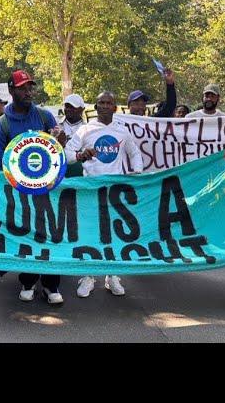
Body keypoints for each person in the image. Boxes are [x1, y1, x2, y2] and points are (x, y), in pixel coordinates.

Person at [0, 70, 67, 305]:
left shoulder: (44, 117)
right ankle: (29, 281)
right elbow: (1, 162)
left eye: (30, 87)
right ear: (11, 91)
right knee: (27, 235)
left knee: (49, 234)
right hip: (19, 191)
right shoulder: (2, 125)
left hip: (47, 188)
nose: (28, 91)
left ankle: (52, 285)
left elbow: (59, 150)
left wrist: (61, 142)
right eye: (22, 88)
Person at [65, 91, 143, 298]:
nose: (105, 106)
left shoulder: (122, 131)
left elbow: (134, 154)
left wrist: (136, 174)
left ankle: (113, 275)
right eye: (101, 103)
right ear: (96, 107)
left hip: (115, 191)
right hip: (90, 189)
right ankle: (88, 276)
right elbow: (67, 154)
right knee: (90, 232)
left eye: (109, 103)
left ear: (115, 108)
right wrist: (80, 155)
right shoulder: (85, 130)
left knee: (114, 233)